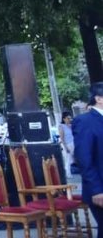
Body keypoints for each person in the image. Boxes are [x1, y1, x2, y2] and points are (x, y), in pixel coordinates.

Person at [73, 82, 103, 237]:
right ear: (99, 98)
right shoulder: (85, 121)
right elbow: (84, 158)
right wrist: (97, 190)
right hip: (99, 189)